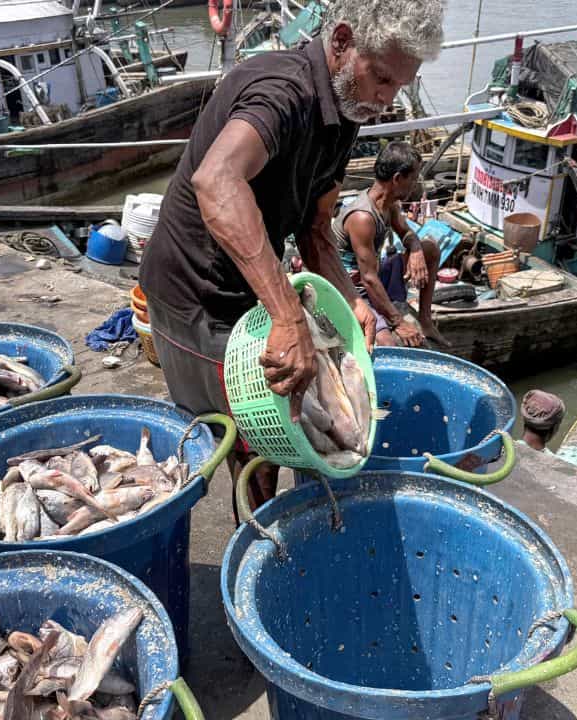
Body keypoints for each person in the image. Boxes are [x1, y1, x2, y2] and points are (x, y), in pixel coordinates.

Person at [139, 0, 445, 516]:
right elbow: (217, 182)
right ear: (343, 41)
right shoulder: (282, 91)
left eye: (398, 87)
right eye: (382, 79)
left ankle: (273, 518)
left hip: (246, 284)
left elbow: (314, 227)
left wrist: (353, 301)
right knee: (254, 431)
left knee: (288, 416)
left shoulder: (347, 112)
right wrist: (286, 315)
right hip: (196, 291)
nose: (387, 100)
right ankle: (255, 530)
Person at [330, 141, 444, 347]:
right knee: (386, 343)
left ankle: (426, 321)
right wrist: (398, 322)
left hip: (376, 273)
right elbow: (368, 279)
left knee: (431, 250)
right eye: (414, 178)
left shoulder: (389, 204)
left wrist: (416, 248)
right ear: (397, 179)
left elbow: (406, 231)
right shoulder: (362, 218)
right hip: (353, 289)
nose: (416, 184)